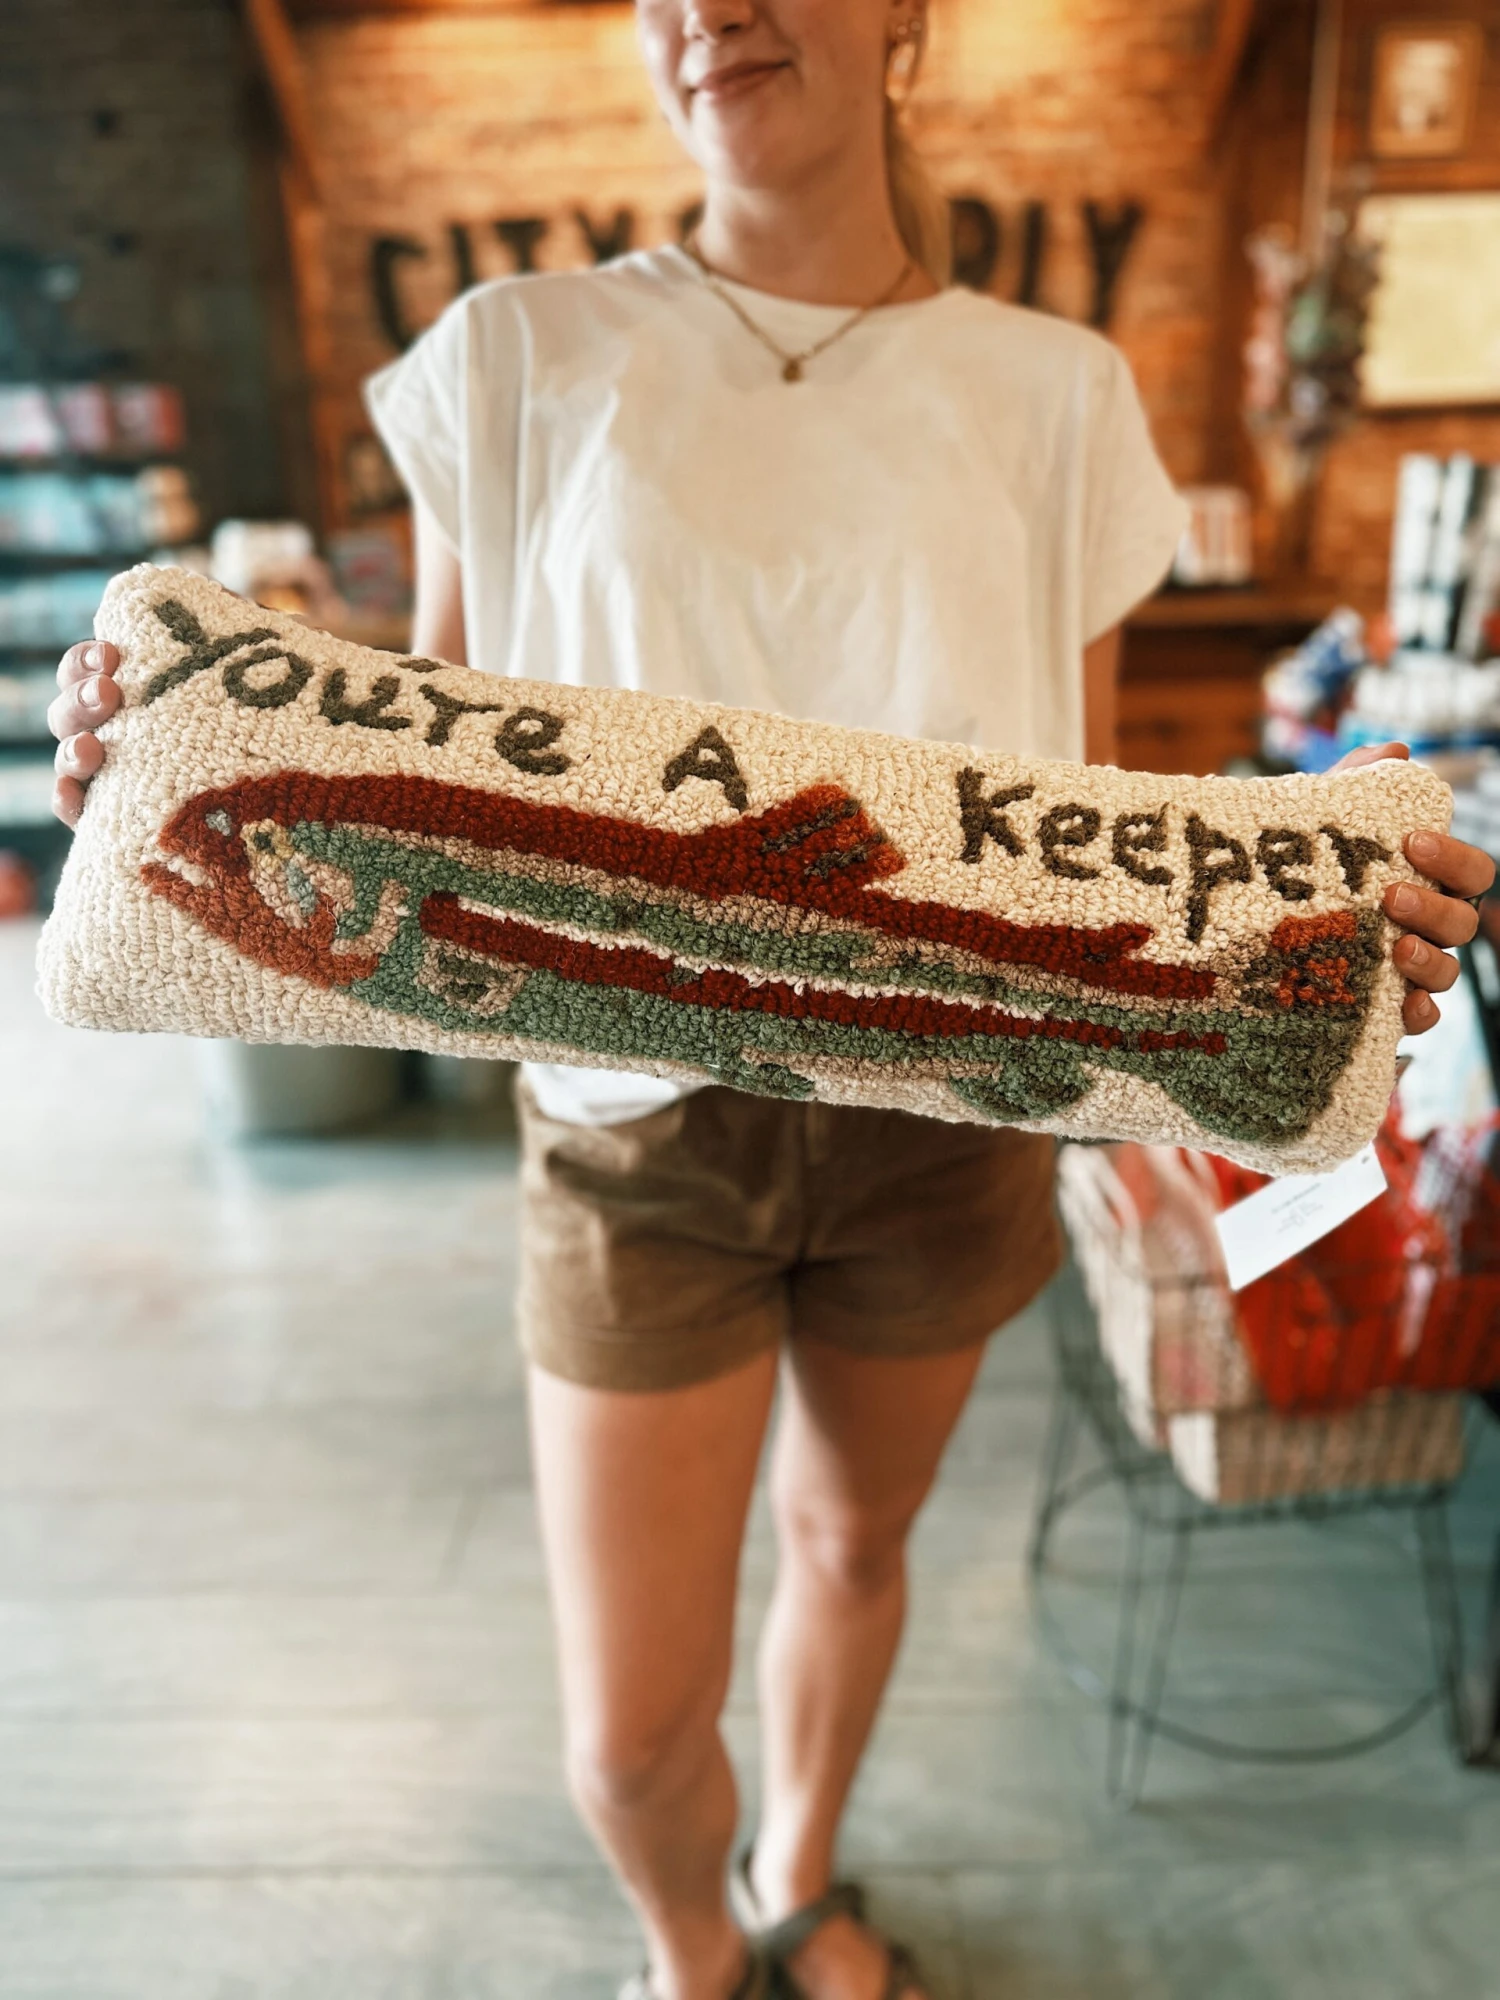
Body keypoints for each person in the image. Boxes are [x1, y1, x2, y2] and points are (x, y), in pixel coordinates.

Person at [48, 2, 1496, 1994]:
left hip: (951, 1124)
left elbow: (1082, 815)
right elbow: (422, 742)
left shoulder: (1056, 390)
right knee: (626, 1735)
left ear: (905, 16)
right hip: (636, 1133)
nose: (704, 9)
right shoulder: (514, 353)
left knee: (853, 1546)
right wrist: (166, 746)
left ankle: (799, 1877)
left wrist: (1327, 897)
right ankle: (688, 1950)